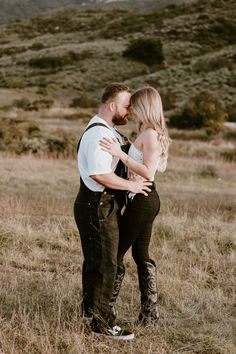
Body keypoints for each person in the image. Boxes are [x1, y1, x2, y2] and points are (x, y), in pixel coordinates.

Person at [74, 83, 151, 340]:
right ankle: (102, 325)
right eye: (126, 106)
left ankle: (89, 313)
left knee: (97, 261)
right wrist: (132, 185)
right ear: (111, 106)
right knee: (107, 264)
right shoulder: (99, 135)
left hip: (100, 204)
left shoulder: (109, 131)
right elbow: (99, 174)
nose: (129, 111)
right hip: (97, 205)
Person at [99, 86, 171, 326]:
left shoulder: (150, 134)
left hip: (143, 200)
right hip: (143, 199)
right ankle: (149, 316)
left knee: (115, 254)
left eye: (134, 107)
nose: (130, 112)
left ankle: (105, 310)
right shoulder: (147, 132)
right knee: (141, 255)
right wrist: (129, 147)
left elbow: (149, 172)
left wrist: (121, 154)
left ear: (145, 107)